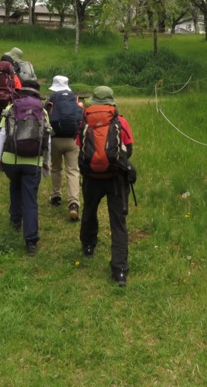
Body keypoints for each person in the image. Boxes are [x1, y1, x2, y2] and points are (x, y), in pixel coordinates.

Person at [78, 86, 134, 287]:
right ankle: (119, 270)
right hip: (116, 178)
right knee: (118, 223)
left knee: (90, 210)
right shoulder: (121, 121)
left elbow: (81, 149)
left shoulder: (85, 121)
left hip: (92, 178)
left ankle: (88, 245)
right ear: (112, 102)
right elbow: (129, 151)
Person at [0, 79, 52, 256]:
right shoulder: (42, 111)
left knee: (15, 184)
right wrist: (47, 163)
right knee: (30, 198)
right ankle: (31, 241)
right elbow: (47, 139)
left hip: (11, 160)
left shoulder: (12, 108)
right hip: (33, 162)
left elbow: (2, 134)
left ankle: (15, 221)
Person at [44, 75, 84, 220]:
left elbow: (45, 117)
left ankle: (56, 196)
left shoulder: (51, 98)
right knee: (73, 170)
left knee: (56, 167)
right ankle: (73, 203)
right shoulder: (75, 98)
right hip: (73, 140)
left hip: (55, 139)